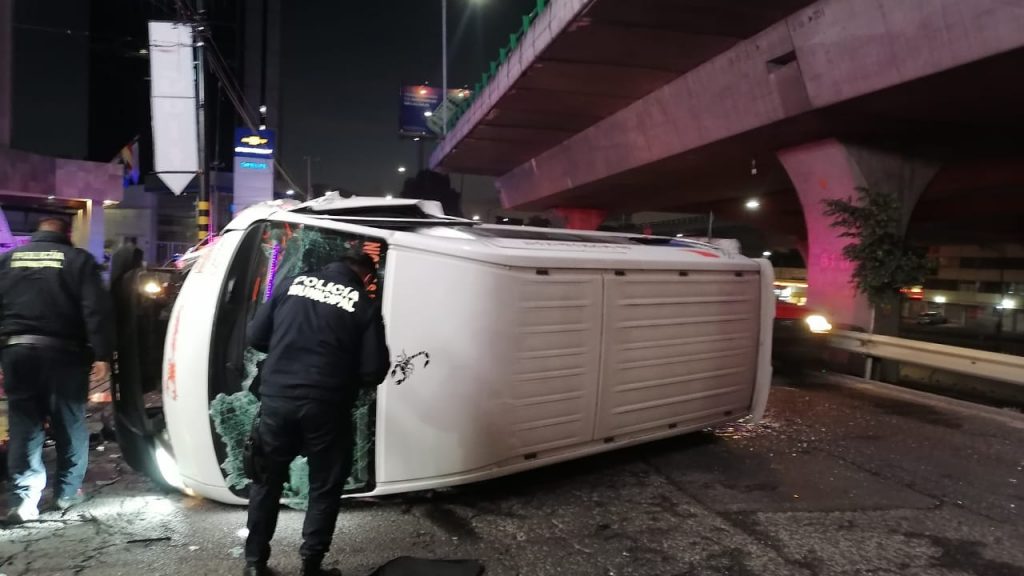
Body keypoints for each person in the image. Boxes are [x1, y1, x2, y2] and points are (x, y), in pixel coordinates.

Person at [244, 251, 390, 576]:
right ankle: (311, 564)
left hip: (277, 401)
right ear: (365, 277)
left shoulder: (291, 284)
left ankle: (255, 563)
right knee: (324, 485)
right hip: (327, 406)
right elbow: (374, 370)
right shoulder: (363, 304)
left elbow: (255, 336)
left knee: (266, 481)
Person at [0, 217, 114, 523]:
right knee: (70, 421)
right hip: (65, 354)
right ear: (68, 234)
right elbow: (95, 309)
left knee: (25, 424)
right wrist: (103, 355)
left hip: (17, 351)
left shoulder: (8, 260)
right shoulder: (79, 260)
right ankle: (66, 493)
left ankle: (24, 501)